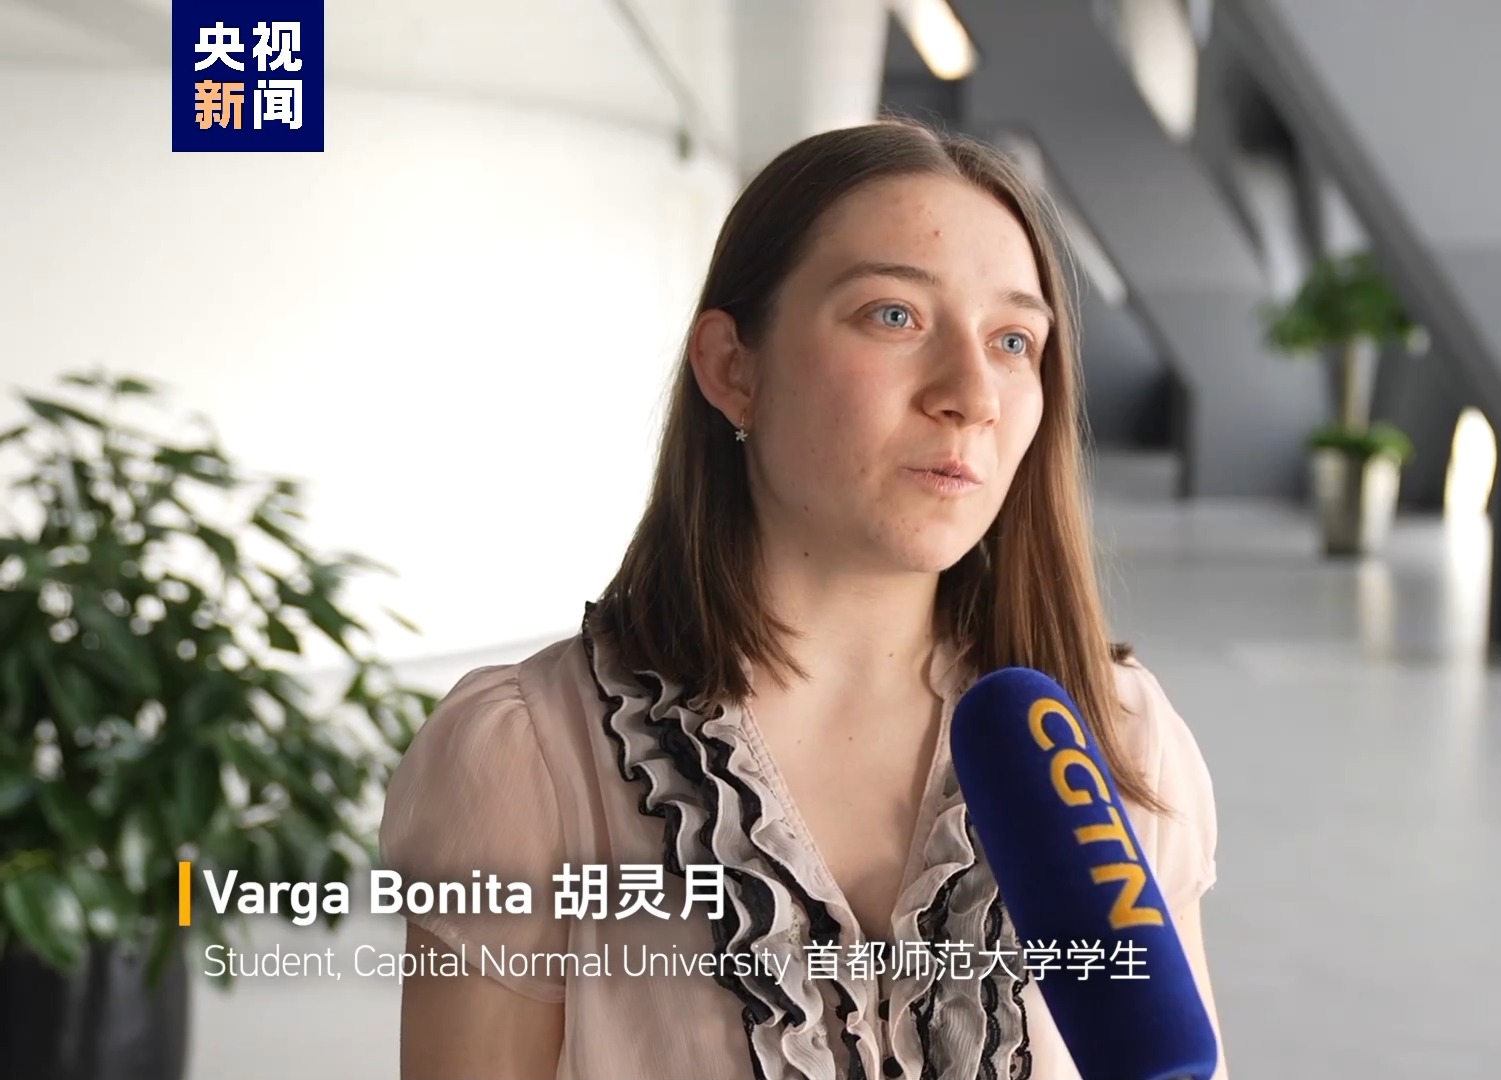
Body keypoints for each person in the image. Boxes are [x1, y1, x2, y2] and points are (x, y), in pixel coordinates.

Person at [379, 118, 1226, 1080]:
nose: (972, 393)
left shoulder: (1118, 742)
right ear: (732, 368)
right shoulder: (530, 760)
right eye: (894, 316)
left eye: (1012, 340)